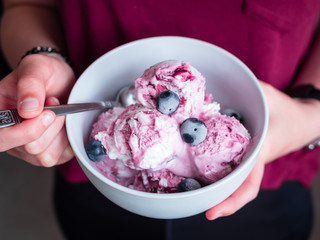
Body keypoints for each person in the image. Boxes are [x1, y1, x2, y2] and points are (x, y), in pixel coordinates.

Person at [1, 0, 320, 239]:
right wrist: (44, 56)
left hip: (270, 191)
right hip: (96, 188)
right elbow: (27, 4)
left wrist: (309, 112)